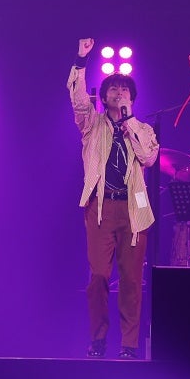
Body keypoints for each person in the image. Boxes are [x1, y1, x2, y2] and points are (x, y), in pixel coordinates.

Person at [68, 39, 159, 360]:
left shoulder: (144, 129)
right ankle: (98, 338)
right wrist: (81, 60)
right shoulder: (92, 125)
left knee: (133, 280)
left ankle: (129, 345)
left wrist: (129, 122)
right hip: (101, 206)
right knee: (99, 276)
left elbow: (148, 158)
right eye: (113, 89)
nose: (119, 93)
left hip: (135, 210)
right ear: (103, 96)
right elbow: (78, 101)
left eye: (125, 90)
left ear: (132, 98)